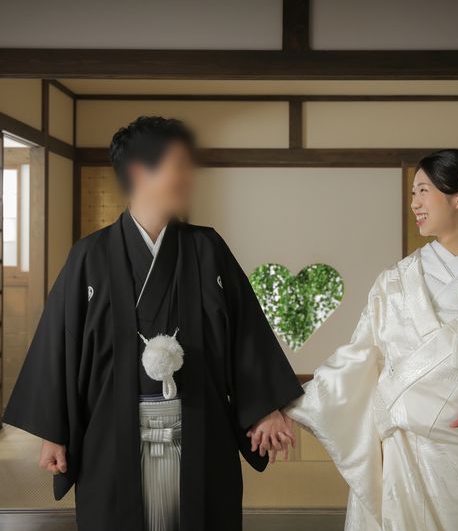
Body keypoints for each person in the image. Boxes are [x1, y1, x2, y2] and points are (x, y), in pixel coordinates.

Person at [3, 115, 304, 531]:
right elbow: (59, 346)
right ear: (138, 172)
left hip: (199, 428)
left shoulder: (207, 248)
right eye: (177, 164)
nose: (188, 176)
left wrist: (265, 408)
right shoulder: (89, 256)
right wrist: (54, 433)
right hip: (112, 437)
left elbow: (246, 335)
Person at [269, 149, 458, 530]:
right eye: (412, 193)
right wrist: (287, 404)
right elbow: (359, 356)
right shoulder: (396, 280)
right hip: (402, 451)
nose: (415, 204)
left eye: (424, 191)